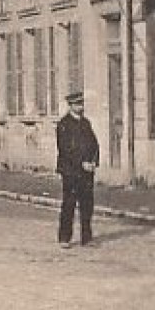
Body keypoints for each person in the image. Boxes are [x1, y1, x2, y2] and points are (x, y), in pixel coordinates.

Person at [54, 90, 100, 248]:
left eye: (82, 104)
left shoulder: (86, 123)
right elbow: (65, 150)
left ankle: (86, 238)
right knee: (69, 204)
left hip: (87, 171)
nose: (80, 107)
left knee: (87, 205)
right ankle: (64, 238)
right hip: (71, 171)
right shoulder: (63, 125)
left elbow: (94, 145)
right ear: (71, 106)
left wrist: (93, 162)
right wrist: (82, 163)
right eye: (77, 104)